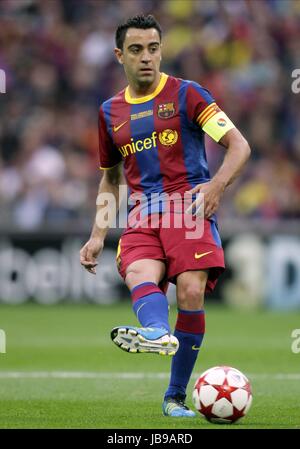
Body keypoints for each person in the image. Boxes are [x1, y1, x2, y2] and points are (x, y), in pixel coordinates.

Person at [80, 14, 251, 418]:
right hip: (141, 213)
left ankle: (174, 397)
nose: (146, 58)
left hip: (187, 207)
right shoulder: (110, 112)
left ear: (162, 50)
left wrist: (216, 187)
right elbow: (111, 179)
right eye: (136, 50)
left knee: (190, 291)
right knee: (140, 274)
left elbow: (239, 146)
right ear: (120, 55)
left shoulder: (188, 94)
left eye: (153, 49)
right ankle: (157, 332)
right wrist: (96, 234)